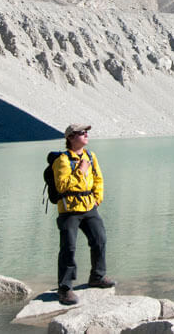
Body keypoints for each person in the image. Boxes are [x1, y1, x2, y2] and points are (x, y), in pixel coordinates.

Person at [53, 124, 115, 305]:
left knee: (99, 239)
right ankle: (64, 288)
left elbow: (98, 178)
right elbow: (62, 186)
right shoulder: (62, 161)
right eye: (82, 133)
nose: (86, 135)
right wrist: (81, 171)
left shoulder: (90, 156)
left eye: (86, 132)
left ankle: (97, 276)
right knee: (68, 248)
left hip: (89, 207)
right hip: (69, 210)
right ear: (71, 137)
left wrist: (97, 197)